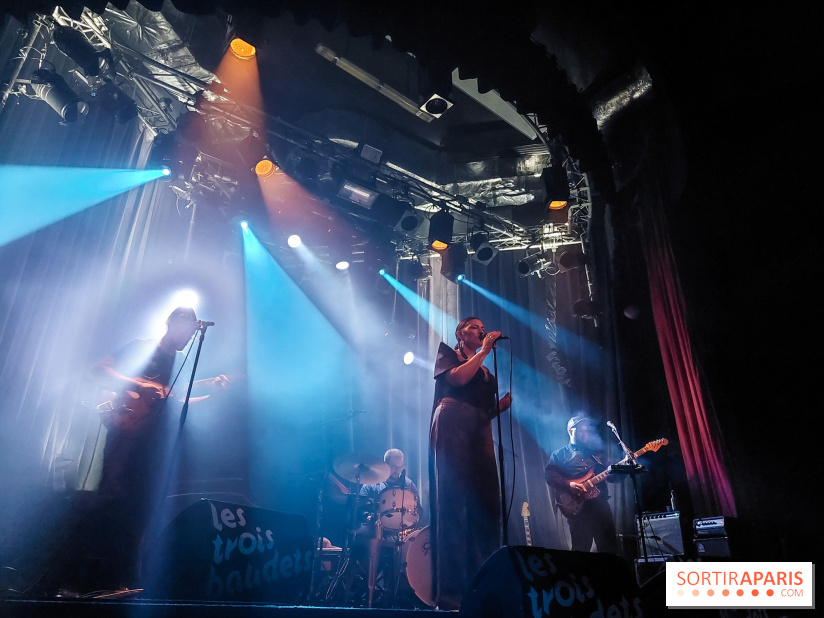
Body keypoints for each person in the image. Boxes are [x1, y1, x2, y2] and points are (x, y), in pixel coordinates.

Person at [53, 307, 226, 594]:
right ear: (172, 324)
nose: (187, 338)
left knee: (139, 510)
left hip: (152, 444)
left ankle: (122, 582)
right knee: (110, 501)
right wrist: (142, 383)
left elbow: (174, 400)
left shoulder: (181, 363)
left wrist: (211, 395)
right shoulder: (141, 349)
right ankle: (75, 579)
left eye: (192, 333)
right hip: (124, 435)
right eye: (186, 330)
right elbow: (98, 371)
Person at [429, 317, 512, 610]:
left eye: (482, 326)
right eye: (474, 326)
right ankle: (451, 593)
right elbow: (456, 380)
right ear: (460, 333)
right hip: (452, 424)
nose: (481, 329)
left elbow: (481, 407)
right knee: (454, 503)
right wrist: (485, 349)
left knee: (486, 504)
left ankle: (485, 587)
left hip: (479, 429)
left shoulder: (487, 369)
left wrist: (498, 408)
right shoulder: (448, 353)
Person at [545, 415, 619, 554]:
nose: (586, 433)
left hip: (600, 507)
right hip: (577, 508)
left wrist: (624, 470)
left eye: (587, 430)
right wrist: (569, 484)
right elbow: (549, 475)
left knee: (609, 550)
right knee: (580, 550)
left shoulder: (598, 455)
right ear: (571, 431)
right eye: (581, 430)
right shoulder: (560, 455)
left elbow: (613, 477)